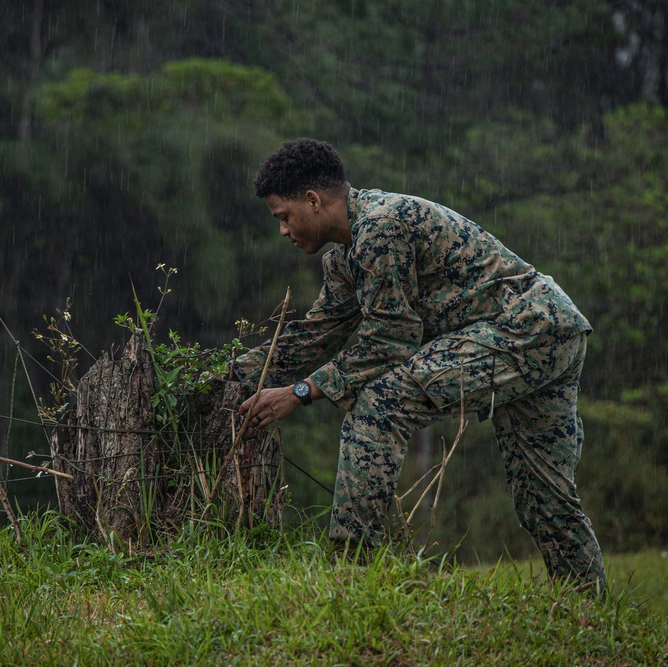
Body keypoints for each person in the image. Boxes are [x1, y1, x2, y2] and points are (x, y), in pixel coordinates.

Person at [232, 137, 606, 590]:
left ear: (313, 200)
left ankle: (349, 577)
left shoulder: (381, 227)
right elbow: (318, 333)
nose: (283, 231)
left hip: (526, 330)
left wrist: (300, 392)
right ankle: (587, 609)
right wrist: (227, 375)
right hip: (553, 329)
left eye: (283, 216)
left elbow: (391, 338)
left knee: (380, 404)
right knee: (543, 498)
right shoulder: (346, 256)